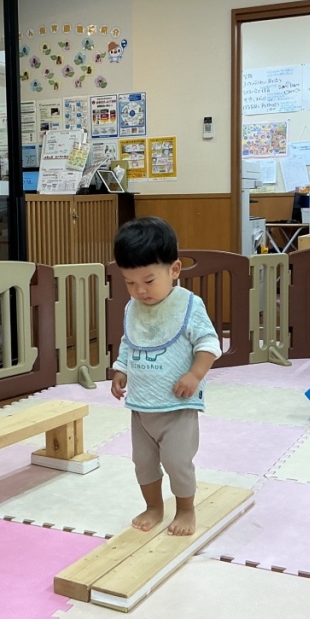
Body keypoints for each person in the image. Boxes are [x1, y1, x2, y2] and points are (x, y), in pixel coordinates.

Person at [110, 218, 221, 537]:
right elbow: (130, 341)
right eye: (130, 283)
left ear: (174, 269)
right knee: (142, 464)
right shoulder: (134, 307)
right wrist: (121, 369)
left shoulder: (188, 305)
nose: (139, 291)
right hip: (142, 408)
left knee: (177, 463)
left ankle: (185, 509)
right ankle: (154, 506)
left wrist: (195, 374)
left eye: (147, 280)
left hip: (176, 408)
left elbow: (208, 343)